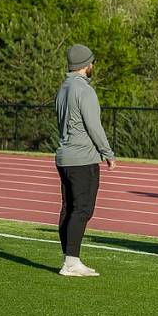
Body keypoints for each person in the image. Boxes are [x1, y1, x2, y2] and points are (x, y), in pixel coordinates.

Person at [54, 44, 116, 277]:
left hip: (64, 157)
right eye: (92, 62)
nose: (93, 66)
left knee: (69, 209)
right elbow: (94, 126)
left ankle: (69, 258)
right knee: (82, 209)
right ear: (86, 65)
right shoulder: (85, 91)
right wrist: (107, 153)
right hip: (82, 159)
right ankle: (71, 262)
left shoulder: (63, 89)